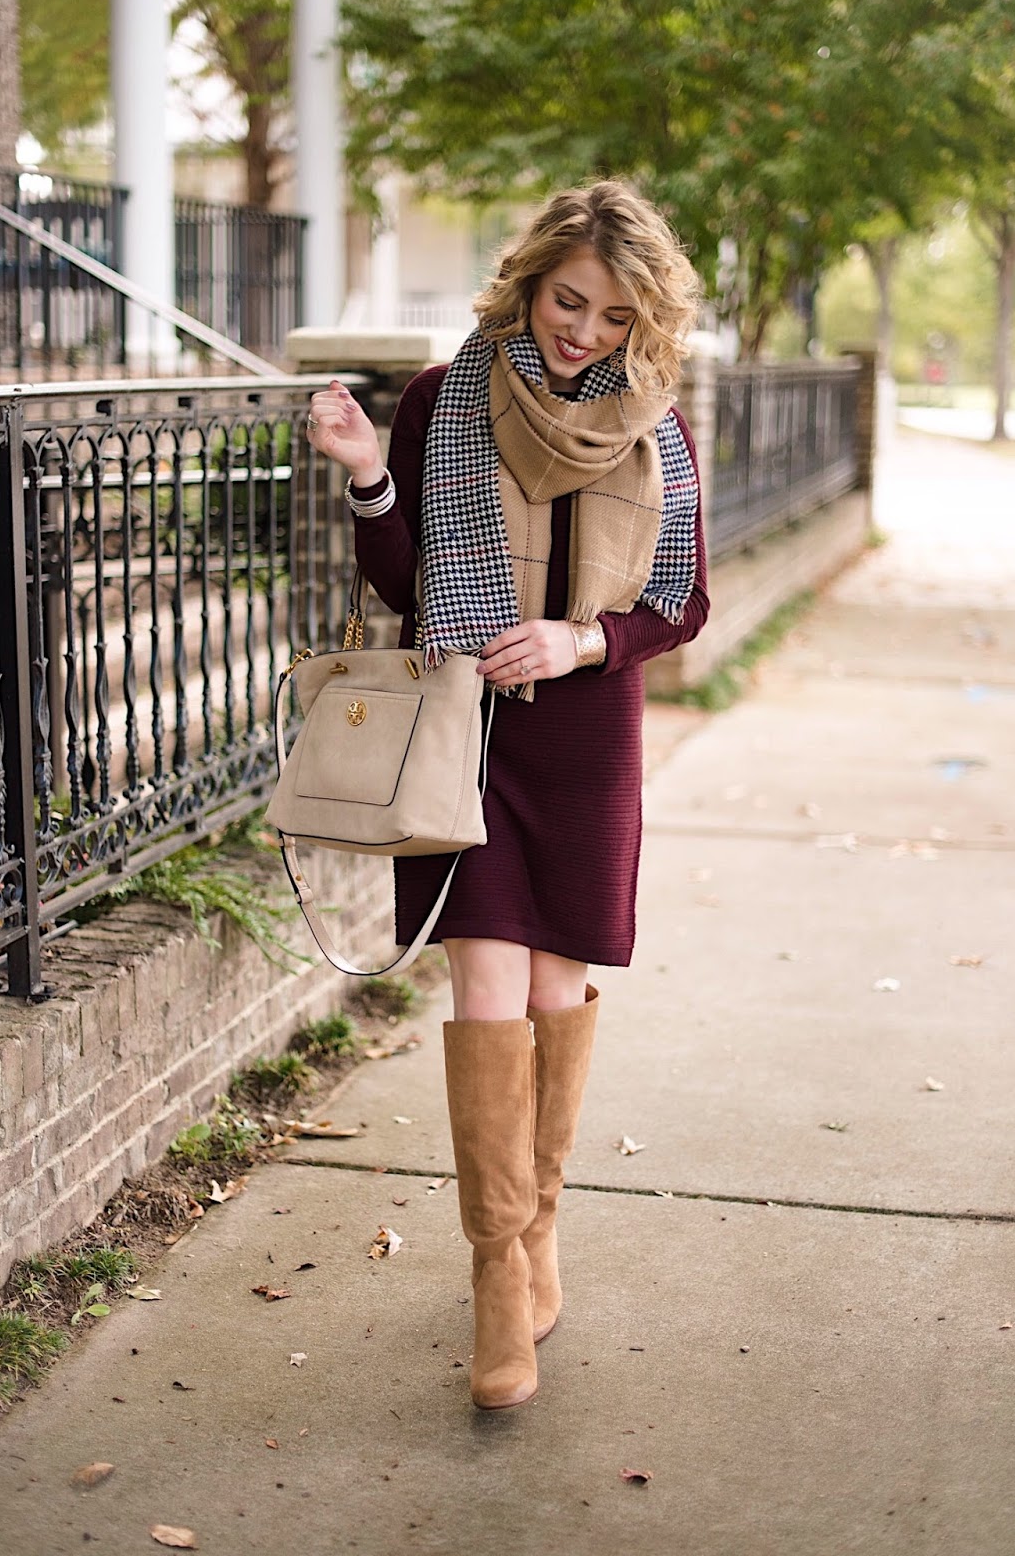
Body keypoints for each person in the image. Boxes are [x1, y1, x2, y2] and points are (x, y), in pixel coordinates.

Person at [307, 180, 709, 1411]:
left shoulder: (654, 423)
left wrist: (581, 643)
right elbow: (403, 574)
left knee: (553, 985)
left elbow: (681, 601)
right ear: (531, 281)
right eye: (566, 299)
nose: (580, 330)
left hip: (584, 735)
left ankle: (540, 1233)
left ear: (644, 321)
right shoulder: (446, 396)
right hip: (461, 728)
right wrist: (371, 470)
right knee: (486, 981)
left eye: (610, 313)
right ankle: (497, 1276)